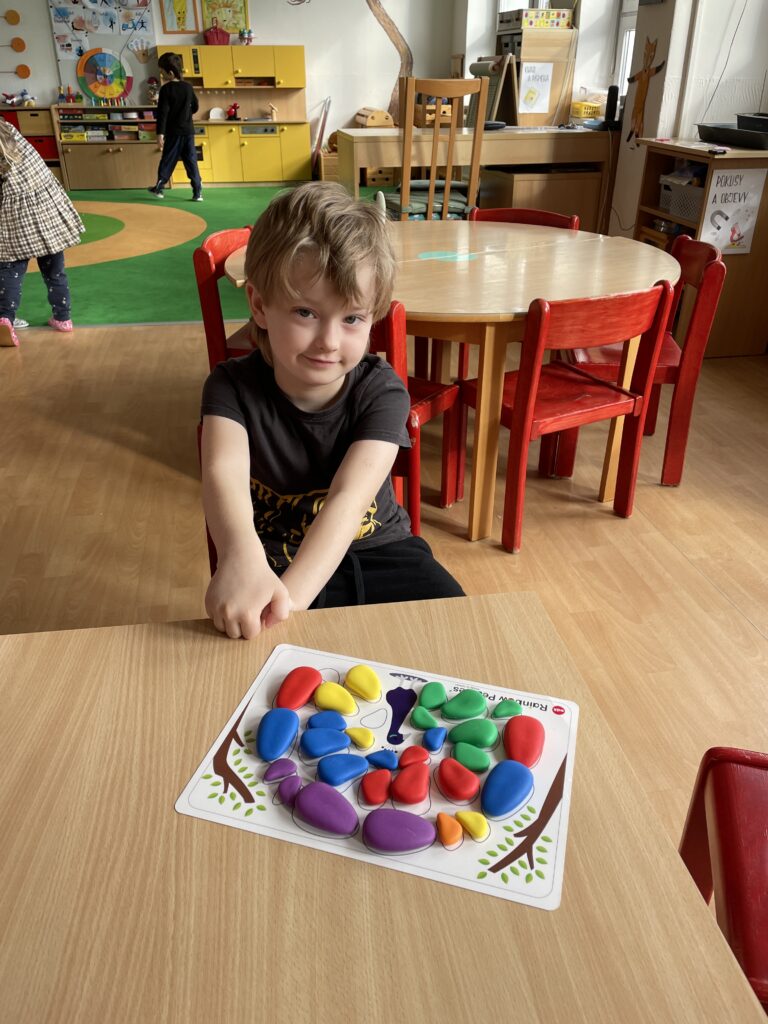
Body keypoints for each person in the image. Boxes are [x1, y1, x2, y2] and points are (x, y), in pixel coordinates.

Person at [201, 181, 464, 639]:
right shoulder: (230, 388)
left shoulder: (383, 391)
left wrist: (288, 607)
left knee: (458, 628)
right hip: (273, 558)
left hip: (382, 552)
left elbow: (347, 501)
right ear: (260, 305)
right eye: (305, 312)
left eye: (352, 318)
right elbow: (222, 472)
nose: (328, 341)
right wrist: (240, 556)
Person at [0, 118, 84, 347]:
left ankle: (5, 318)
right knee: (55, 271)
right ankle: (63, 318)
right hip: (46, 210)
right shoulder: (9, 130)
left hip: (15, 219)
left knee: (10, 271)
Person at [147, 51, 202, 201]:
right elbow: (196, 106)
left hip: (173, 132)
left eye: (162, 72)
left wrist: (160, 134)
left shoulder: (166, 89)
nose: (162, 75)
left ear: (170, 73)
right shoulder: (188, 87)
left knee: (168, 160)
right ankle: (197, 192)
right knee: (191, 161)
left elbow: (162, 114)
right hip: (188, 132)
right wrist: (186, 114)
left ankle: (159, 188)